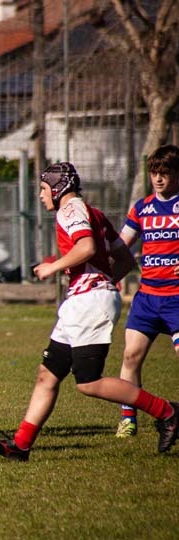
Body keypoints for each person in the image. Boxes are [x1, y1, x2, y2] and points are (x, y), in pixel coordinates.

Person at [0, 163, 178, 461]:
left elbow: (86, 248)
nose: (41, 195)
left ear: (58, 188)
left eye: (44, 189)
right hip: (83, 300)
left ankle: (168, 412)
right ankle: (20, 445)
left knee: (88, 382)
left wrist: (53, 268)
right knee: (47, 375)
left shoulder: (70, 210)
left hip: (88, 303)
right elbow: (125, 260)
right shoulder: (94, 213)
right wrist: (104, 282)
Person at [115, 145, 179, 438]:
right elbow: (120, 245)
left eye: (165, 173)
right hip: (147, 299)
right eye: (154, 173)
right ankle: (128, 420)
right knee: (130, 357)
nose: (158, 178)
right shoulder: (142, 208)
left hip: (176, 299)